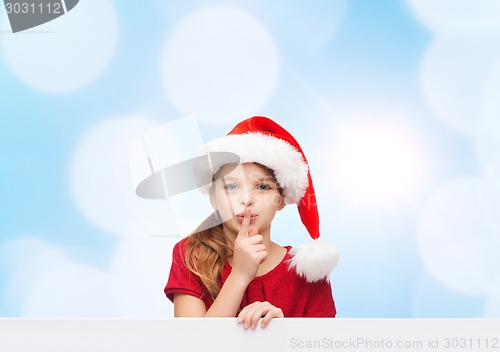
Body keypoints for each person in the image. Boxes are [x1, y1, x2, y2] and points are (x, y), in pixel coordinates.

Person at [164, 116, 339, 329]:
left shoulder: (307, 272)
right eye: (231, 187)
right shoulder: (191, 255)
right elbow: (190, 345)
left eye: (263, 187)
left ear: (281, 199)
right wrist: (239, 275)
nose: (247, 199)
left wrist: (282, 332)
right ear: (213, 198)